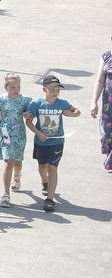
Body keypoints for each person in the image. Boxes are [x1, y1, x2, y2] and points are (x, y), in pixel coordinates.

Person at [25, 74, 81, 212]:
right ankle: (44, 182)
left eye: (58, 89)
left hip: (57, 142)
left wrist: (73, 113)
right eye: (52, 89)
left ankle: (49, 199)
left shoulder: (62, 103)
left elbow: (75, 110)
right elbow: (28, 121)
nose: (55, 91)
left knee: (53, 168)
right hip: (41, 142)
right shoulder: (36, 104)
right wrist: (38, 133)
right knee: (42, 166)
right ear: (44, 89)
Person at [0, 72, 31, 206]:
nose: (16, 90)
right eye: (13, 87)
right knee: (8, 160)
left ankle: (17, 177)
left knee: (17, 161)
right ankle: (6, 194)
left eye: (18, 87)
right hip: (5, 132)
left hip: (19, 133)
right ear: (6, 87)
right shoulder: (1, 99)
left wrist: (27, 114)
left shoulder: (23, 100)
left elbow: (29, 112)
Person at [94, 41, 112, 173]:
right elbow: (100, 80)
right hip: (108, 106)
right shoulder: (106, 57)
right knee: (107, 134)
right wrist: (94, 102)